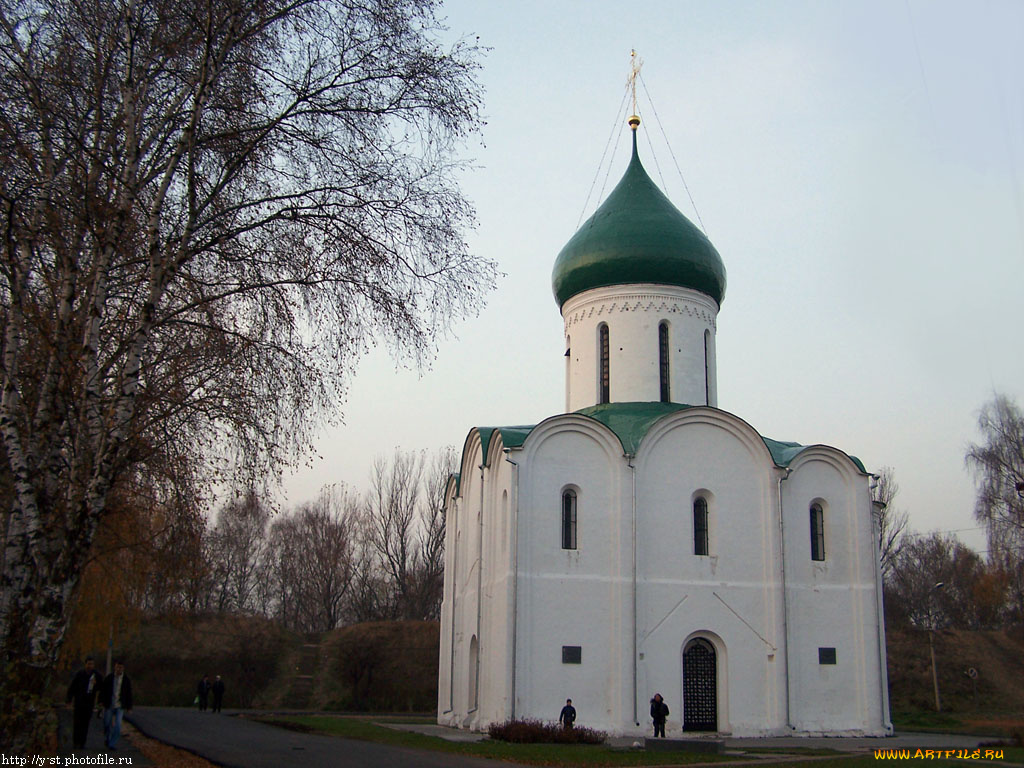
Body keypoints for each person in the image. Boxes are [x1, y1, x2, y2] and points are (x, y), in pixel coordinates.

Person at [66, 656, 101, 749]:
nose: (90, 666)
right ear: (85, 664)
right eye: (88, 664)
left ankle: (82, 742)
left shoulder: (96, 675)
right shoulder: (80, 674)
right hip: (79, 702)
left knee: (85, 723)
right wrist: (69, 700)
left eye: (92, 664)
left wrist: (96, 685)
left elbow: (101, 688)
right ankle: (76, 741)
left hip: (89, 702)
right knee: (77, 722)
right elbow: (73, 687)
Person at [99, 660, 133, 750]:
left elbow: (129, 694)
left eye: (121, 667)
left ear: (123, 668)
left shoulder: (126, 680)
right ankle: (108, 738)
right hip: (109, 704)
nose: (119, 669)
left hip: (119, 705)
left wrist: (129, 706)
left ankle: (112, 743)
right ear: (115, 667)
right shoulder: (109, 678)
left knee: (118, 725)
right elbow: (103, 690)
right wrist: (101, 701)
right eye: (117, 667)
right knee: (107, 723)